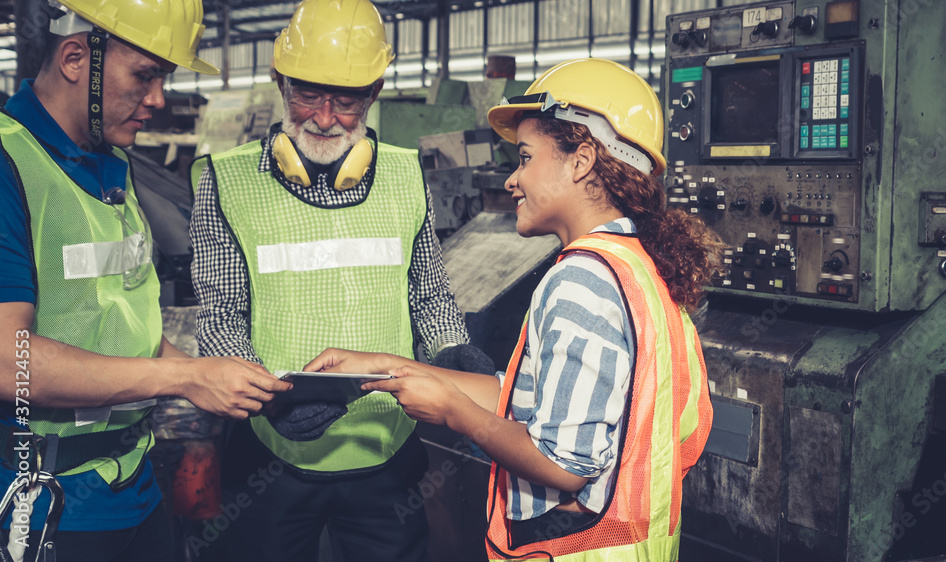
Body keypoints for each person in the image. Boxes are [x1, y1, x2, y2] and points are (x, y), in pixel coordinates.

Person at [306, 58, 721, 561]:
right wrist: (383, 365)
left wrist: (454, 412)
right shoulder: (636, 265)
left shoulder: (582, 279)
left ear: (581, 160)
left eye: (524, 158)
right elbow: (527, 403)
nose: (512, 180)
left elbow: (565, 464)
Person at [188, 0, 492, 560]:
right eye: (307, 94)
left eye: (346, 101)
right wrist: (266, 397)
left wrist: (452, 348)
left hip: (388, 451)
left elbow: (427, 295)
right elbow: (221, 317)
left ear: (373, 93)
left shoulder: (405, 175)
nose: (324, 118)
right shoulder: (225, 182)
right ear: (280, 81)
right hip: (271, 455)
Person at [0, 1, 291, 561]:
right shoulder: (10, 164)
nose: (158, 98)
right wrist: (183, 380)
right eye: (145, 75)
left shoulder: (110, 161)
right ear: (74, 58)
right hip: (47, 500)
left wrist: (222, 380)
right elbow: (11, 360)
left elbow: (118, 323)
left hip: (134, 479)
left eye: (164, 78)